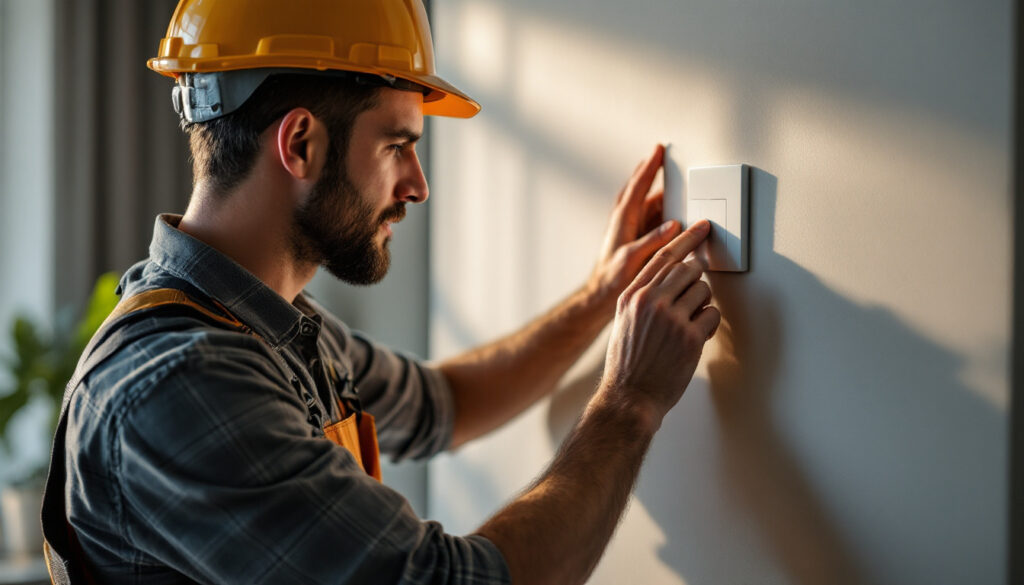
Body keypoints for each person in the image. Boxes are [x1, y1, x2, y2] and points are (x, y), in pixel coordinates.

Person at [42, 1, 720, 584]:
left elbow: (443, 404)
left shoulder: (271, 327)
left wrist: (602, 294)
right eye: (398, 143)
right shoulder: (183, 383)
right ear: (301, 143)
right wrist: (627, 403)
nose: (418, 184)